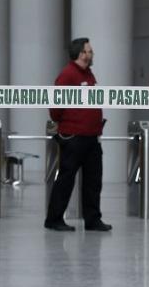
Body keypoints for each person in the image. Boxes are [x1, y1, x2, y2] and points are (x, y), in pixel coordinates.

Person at [45, 37, 112, 232]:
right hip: (73, 137)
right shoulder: (67, 75)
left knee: (93, 180)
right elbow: (56, 107)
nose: (92, 54)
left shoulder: (88, 74)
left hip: (91, 136)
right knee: (66, 179)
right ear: (81, 54)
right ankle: (54, 218)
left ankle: (92, 219)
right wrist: (65, 124)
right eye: (89, 51)